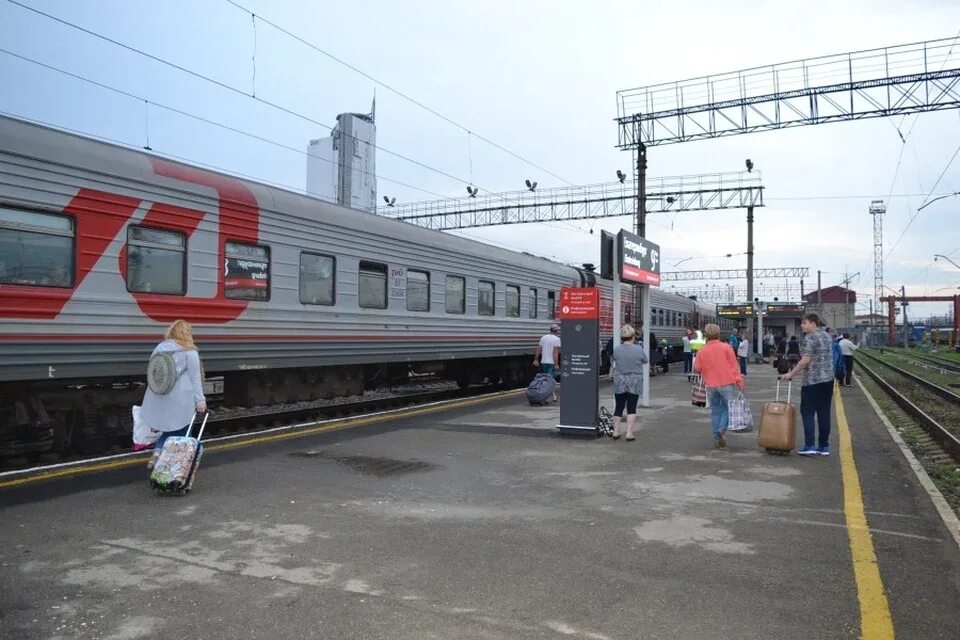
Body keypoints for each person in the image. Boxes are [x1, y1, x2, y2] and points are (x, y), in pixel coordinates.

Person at [141, 320, 207, 469]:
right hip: (182, 397)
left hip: (161, 394)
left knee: (170, 428)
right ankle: (176, 465)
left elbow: (154, 370)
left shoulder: (160, 347)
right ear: (187, 333)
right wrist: (200, 401)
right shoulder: (190, 351)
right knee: (182, 429)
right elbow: (195, 378)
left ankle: (157, 454)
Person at [780, 313, 834, 456]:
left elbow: (805, 361)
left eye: (804, 323)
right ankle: (823, 446)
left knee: (808, 412)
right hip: (828, 379)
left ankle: (809, 445)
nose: (802, 326)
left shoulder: (808, 338)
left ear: (813, 323)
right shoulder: (827, 336)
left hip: (812, 381)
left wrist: (791, 374)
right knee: (824, 412)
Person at [693, 323, 744, 448]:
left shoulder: (702, 350)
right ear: (718, 334)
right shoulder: (726, 347)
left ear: (706, 335)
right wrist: (739, 382)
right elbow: (733, 366)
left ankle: (717, 436)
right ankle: (722, 429)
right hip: (727, 383)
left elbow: (697, 368)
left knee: (715, 411)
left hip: (710, 385)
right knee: (728, 409)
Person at [611, 324, 648, 441]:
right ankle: (629, 433)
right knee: (632, 407)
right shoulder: (639, 349)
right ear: (633, 337)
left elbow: (614, 360)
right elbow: (645, 361)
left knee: (619, 406)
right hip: (634, 380)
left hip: (619, 380)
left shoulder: (617, 349)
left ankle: (616, 431)